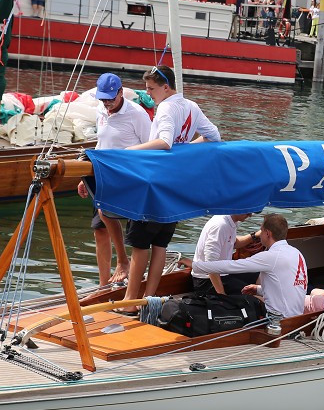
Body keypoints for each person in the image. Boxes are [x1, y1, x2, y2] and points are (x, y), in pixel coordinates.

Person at [121, 65, 221, 303]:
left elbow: (164, 142)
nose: (149, 95)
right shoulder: (192, 106)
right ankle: (149, 298)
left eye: (152, 89)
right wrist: (185, 149)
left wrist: (128, 151)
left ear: (166, 87)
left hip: (155, 182)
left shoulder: (166, 107)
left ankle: (129, 302)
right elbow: (213, 136)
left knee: (140, 244)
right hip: (176, 185)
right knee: (160, 243)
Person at [78, 73, 153, 285]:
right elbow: (102, 145)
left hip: (129, 175)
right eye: (103, 99)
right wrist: (86, 177)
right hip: (104, 174)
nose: (107, 103)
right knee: (99, 230)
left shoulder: (137, 114)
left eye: (111, 98)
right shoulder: (101, 110)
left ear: (121, 92)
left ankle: (123, 262)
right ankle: (104, 284)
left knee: (106, 213)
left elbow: (151, 147)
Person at [181, 213, 308, 320]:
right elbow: (284, 287)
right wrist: (258, 289)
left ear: (267, 233)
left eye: (261, 230)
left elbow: (232, 266)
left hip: (278, 319)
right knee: (250, 290)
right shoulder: (297, 253)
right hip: (296, 315)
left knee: (247, 301)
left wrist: (194, 265)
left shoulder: (271, 256)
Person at [190, 213, 261, 295]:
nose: (250, 215)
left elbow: (233, 243)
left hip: (223, 273)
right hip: (206, 281)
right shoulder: (220, 225)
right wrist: (222, 295)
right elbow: (210, 264)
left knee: (259, 274)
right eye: (248, 212)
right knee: (254, 294)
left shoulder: (230, 221)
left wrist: (255, 236)